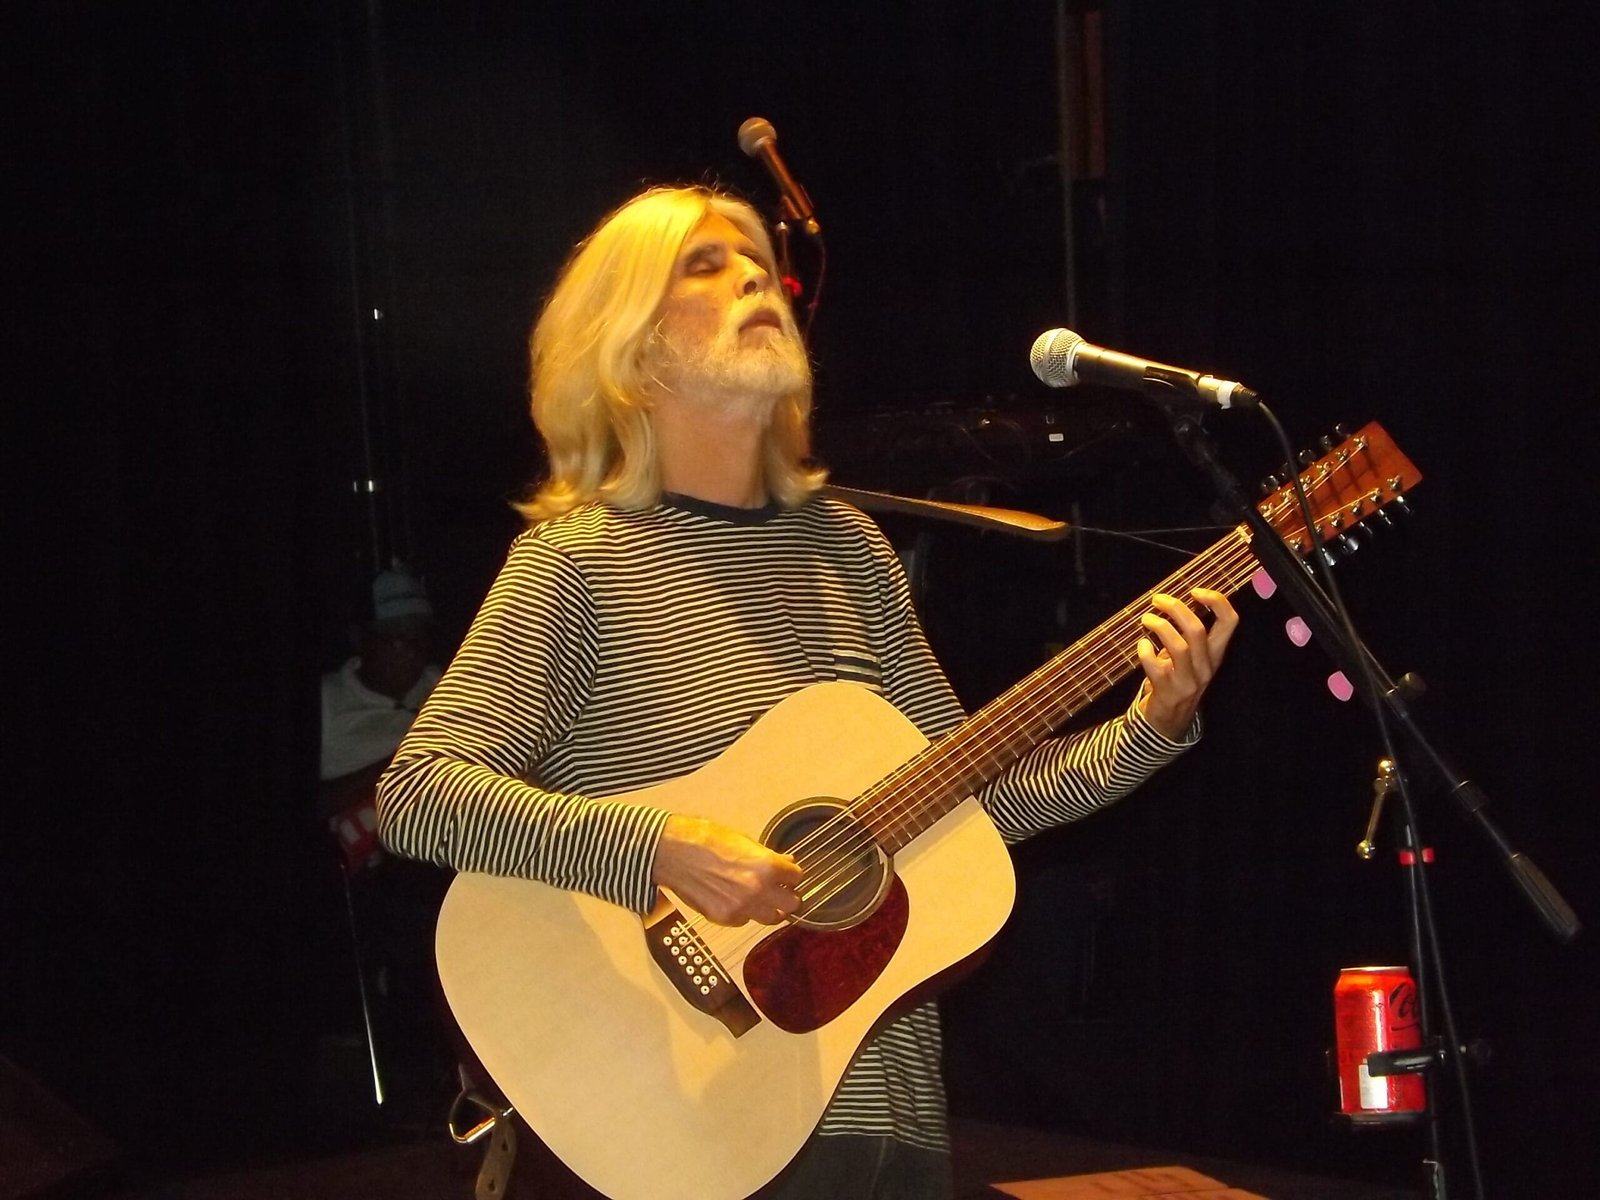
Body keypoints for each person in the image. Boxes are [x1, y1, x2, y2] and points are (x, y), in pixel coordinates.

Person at [375, 184, 1237, 1198]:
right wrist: (662, 848)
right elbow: (418, 794)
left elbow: (969, 797)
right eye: (705, 265)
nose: (753, 276)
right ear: (633, 348)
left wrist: (1149, 725)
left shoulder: (852, 553)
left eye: (756, 262)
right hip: (687, 1118)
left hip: (889, 1113)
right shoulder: (579, 563)